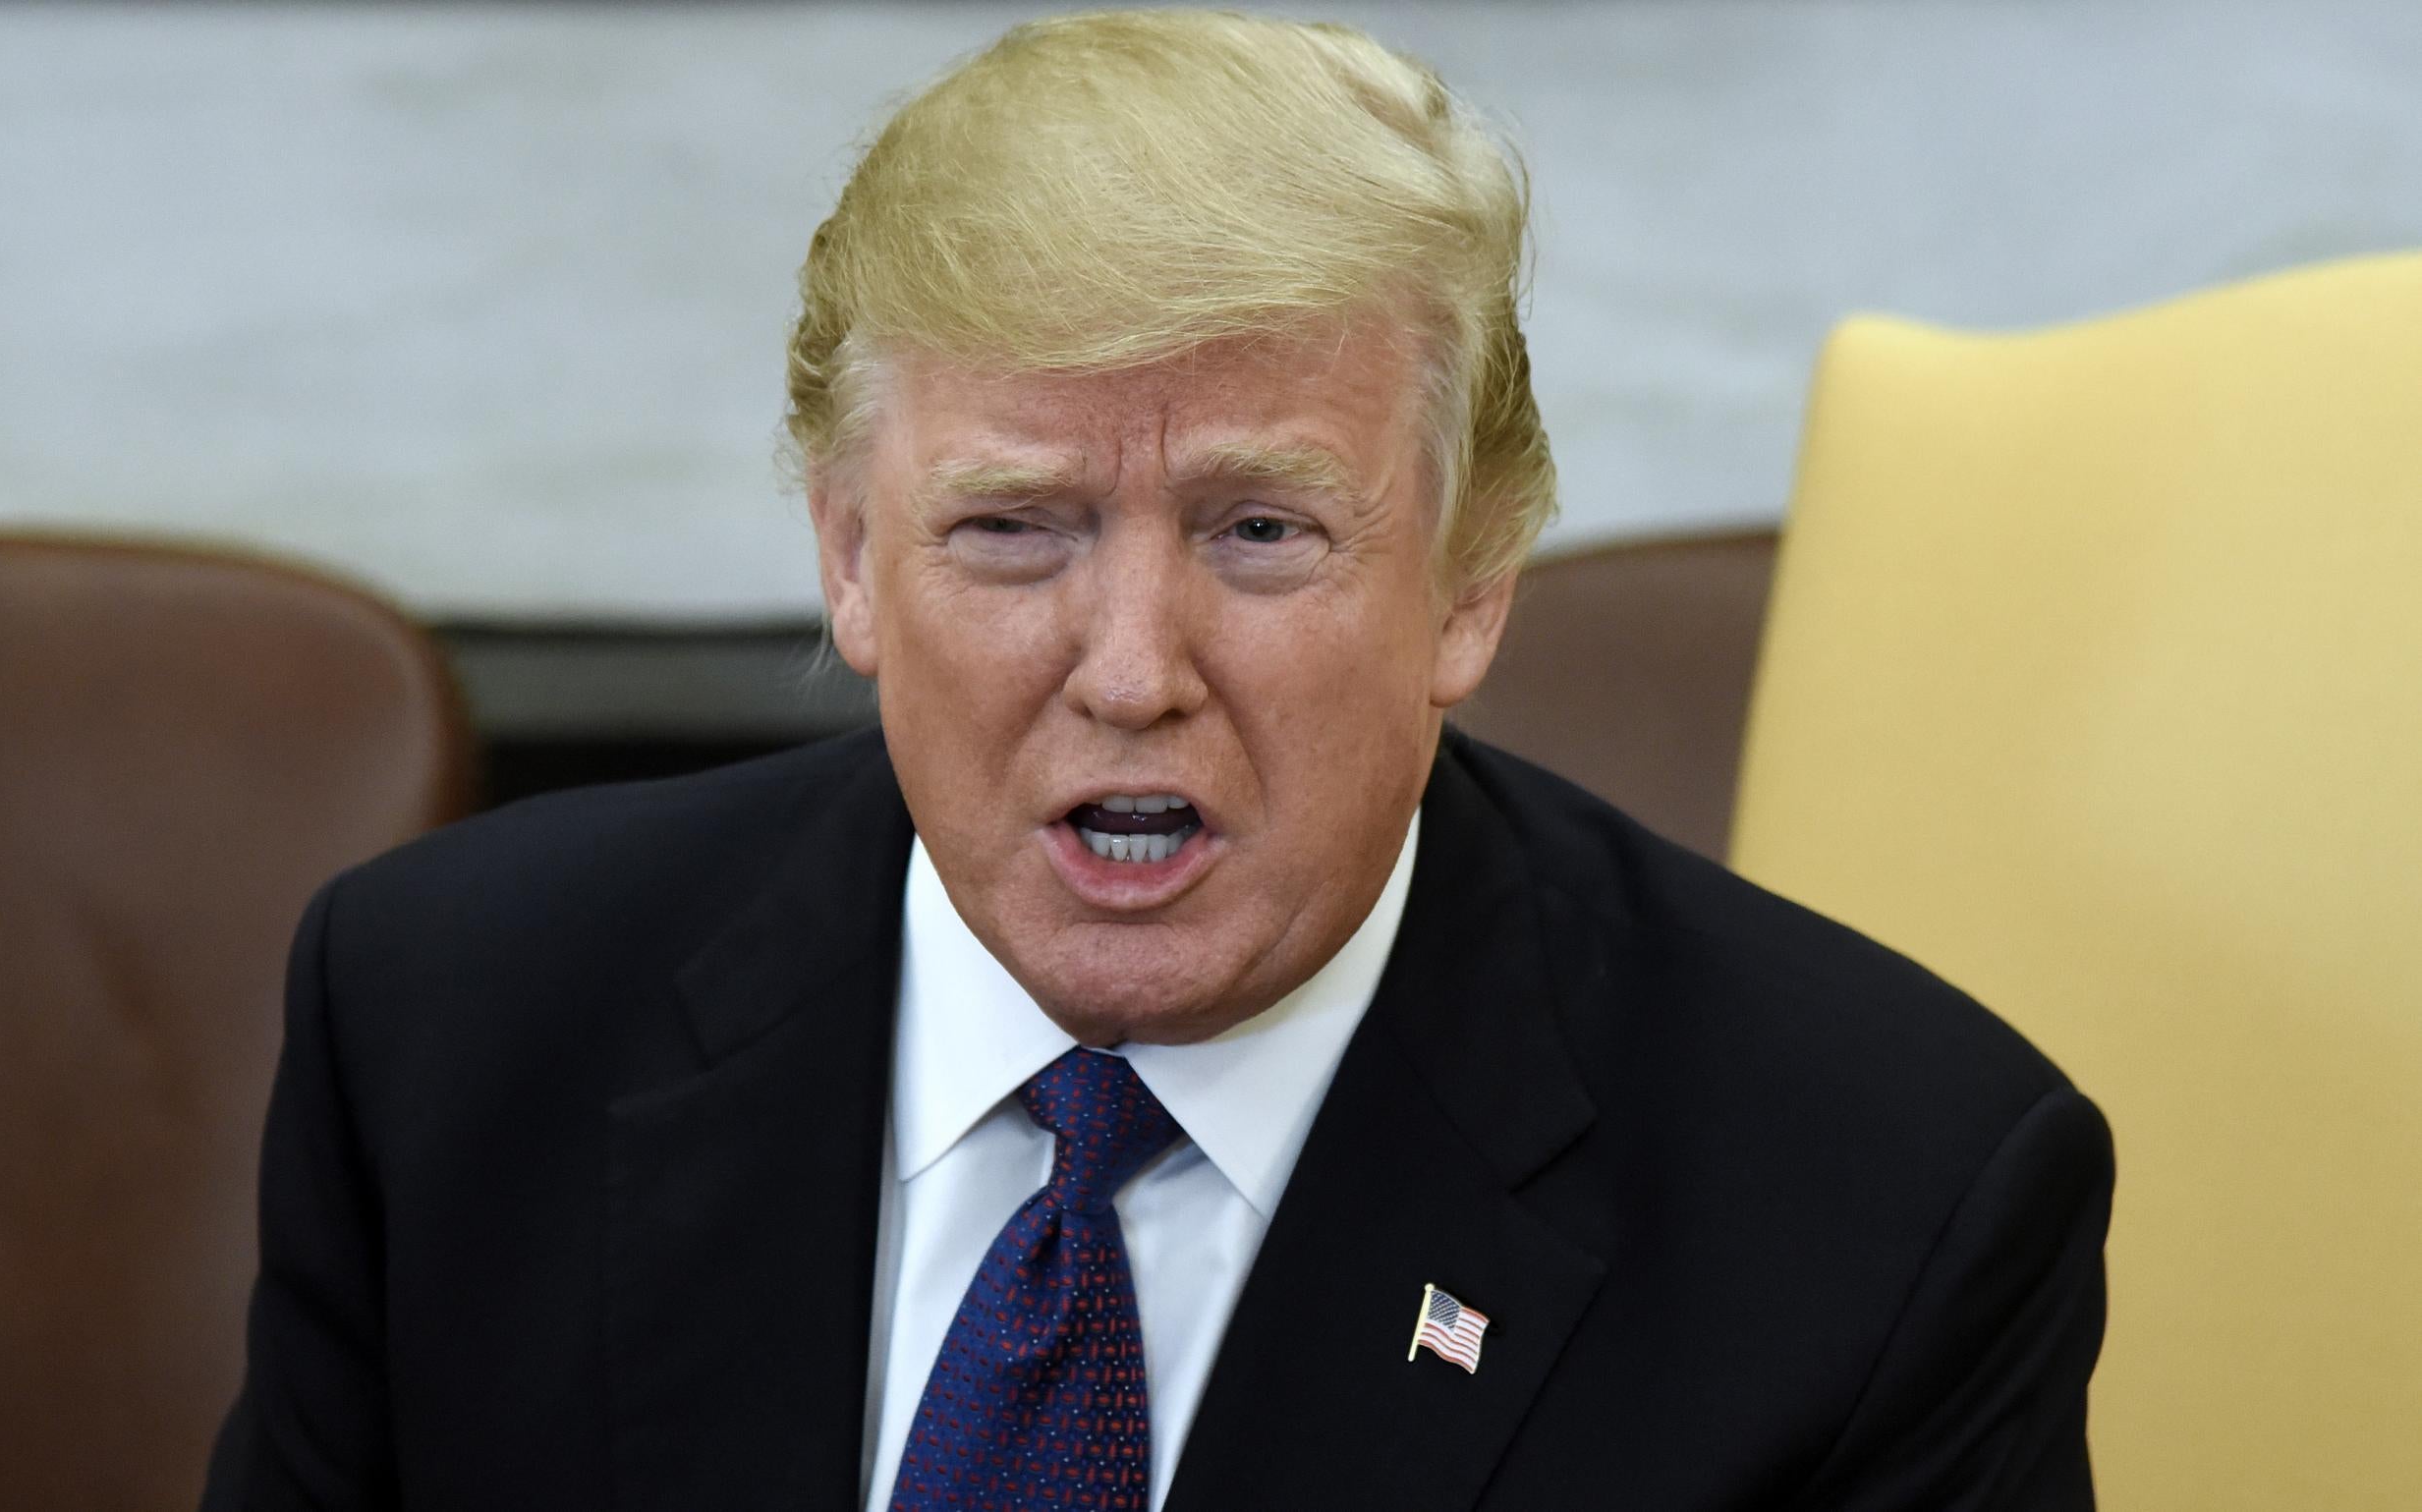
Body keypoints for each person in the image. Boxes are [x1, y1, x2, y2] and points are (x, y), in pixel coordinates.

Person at [202, 11, 2113, 1510]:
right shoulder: (451, 1027)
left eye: (1259, 530)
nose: (1129, 670)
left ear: (1465, 579)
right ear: (850, 557)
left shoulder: (1878, 1204)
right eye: (1011, 528)